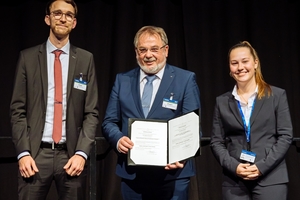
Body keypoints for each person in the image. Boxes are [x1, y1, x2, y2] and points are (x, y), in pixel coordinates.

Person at [10, 0, 99, 199]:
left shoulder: (85, 59)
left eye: (69, 15)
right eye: (57, 13)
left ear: (74, 23)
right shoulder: (28, 58)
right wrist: (23, 153)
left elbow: (91, 113)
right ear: (47, 18)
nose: (63, 18)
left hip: (70, 156)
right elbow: (17, 110)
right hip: (35, 154)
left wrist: (81, 153)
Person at [102, 25, 201, 200]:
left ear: (166, 50)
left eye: (155, 49)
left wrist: (182, 155)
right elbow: (109, 121)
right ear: (136, 52)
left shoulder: (185, 79)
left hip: (173, 176)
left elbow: (192, 127)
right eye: (143, 50)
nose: (148, 55)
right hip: (132, 175)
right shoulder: (122, 80)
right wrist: (118, 140)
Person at [210, 41, 293, 200]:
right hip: (235, 180)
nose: (240, 67)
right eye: (234, 63)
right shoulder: (222, 101)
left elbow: (285, 136)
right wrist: (234, 167)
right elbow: (216, 141)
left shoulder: (276, 95)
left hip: (271, 177)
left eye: (245, 61)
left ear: (255, 63)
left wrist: (261, 167)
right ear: (230, 67)